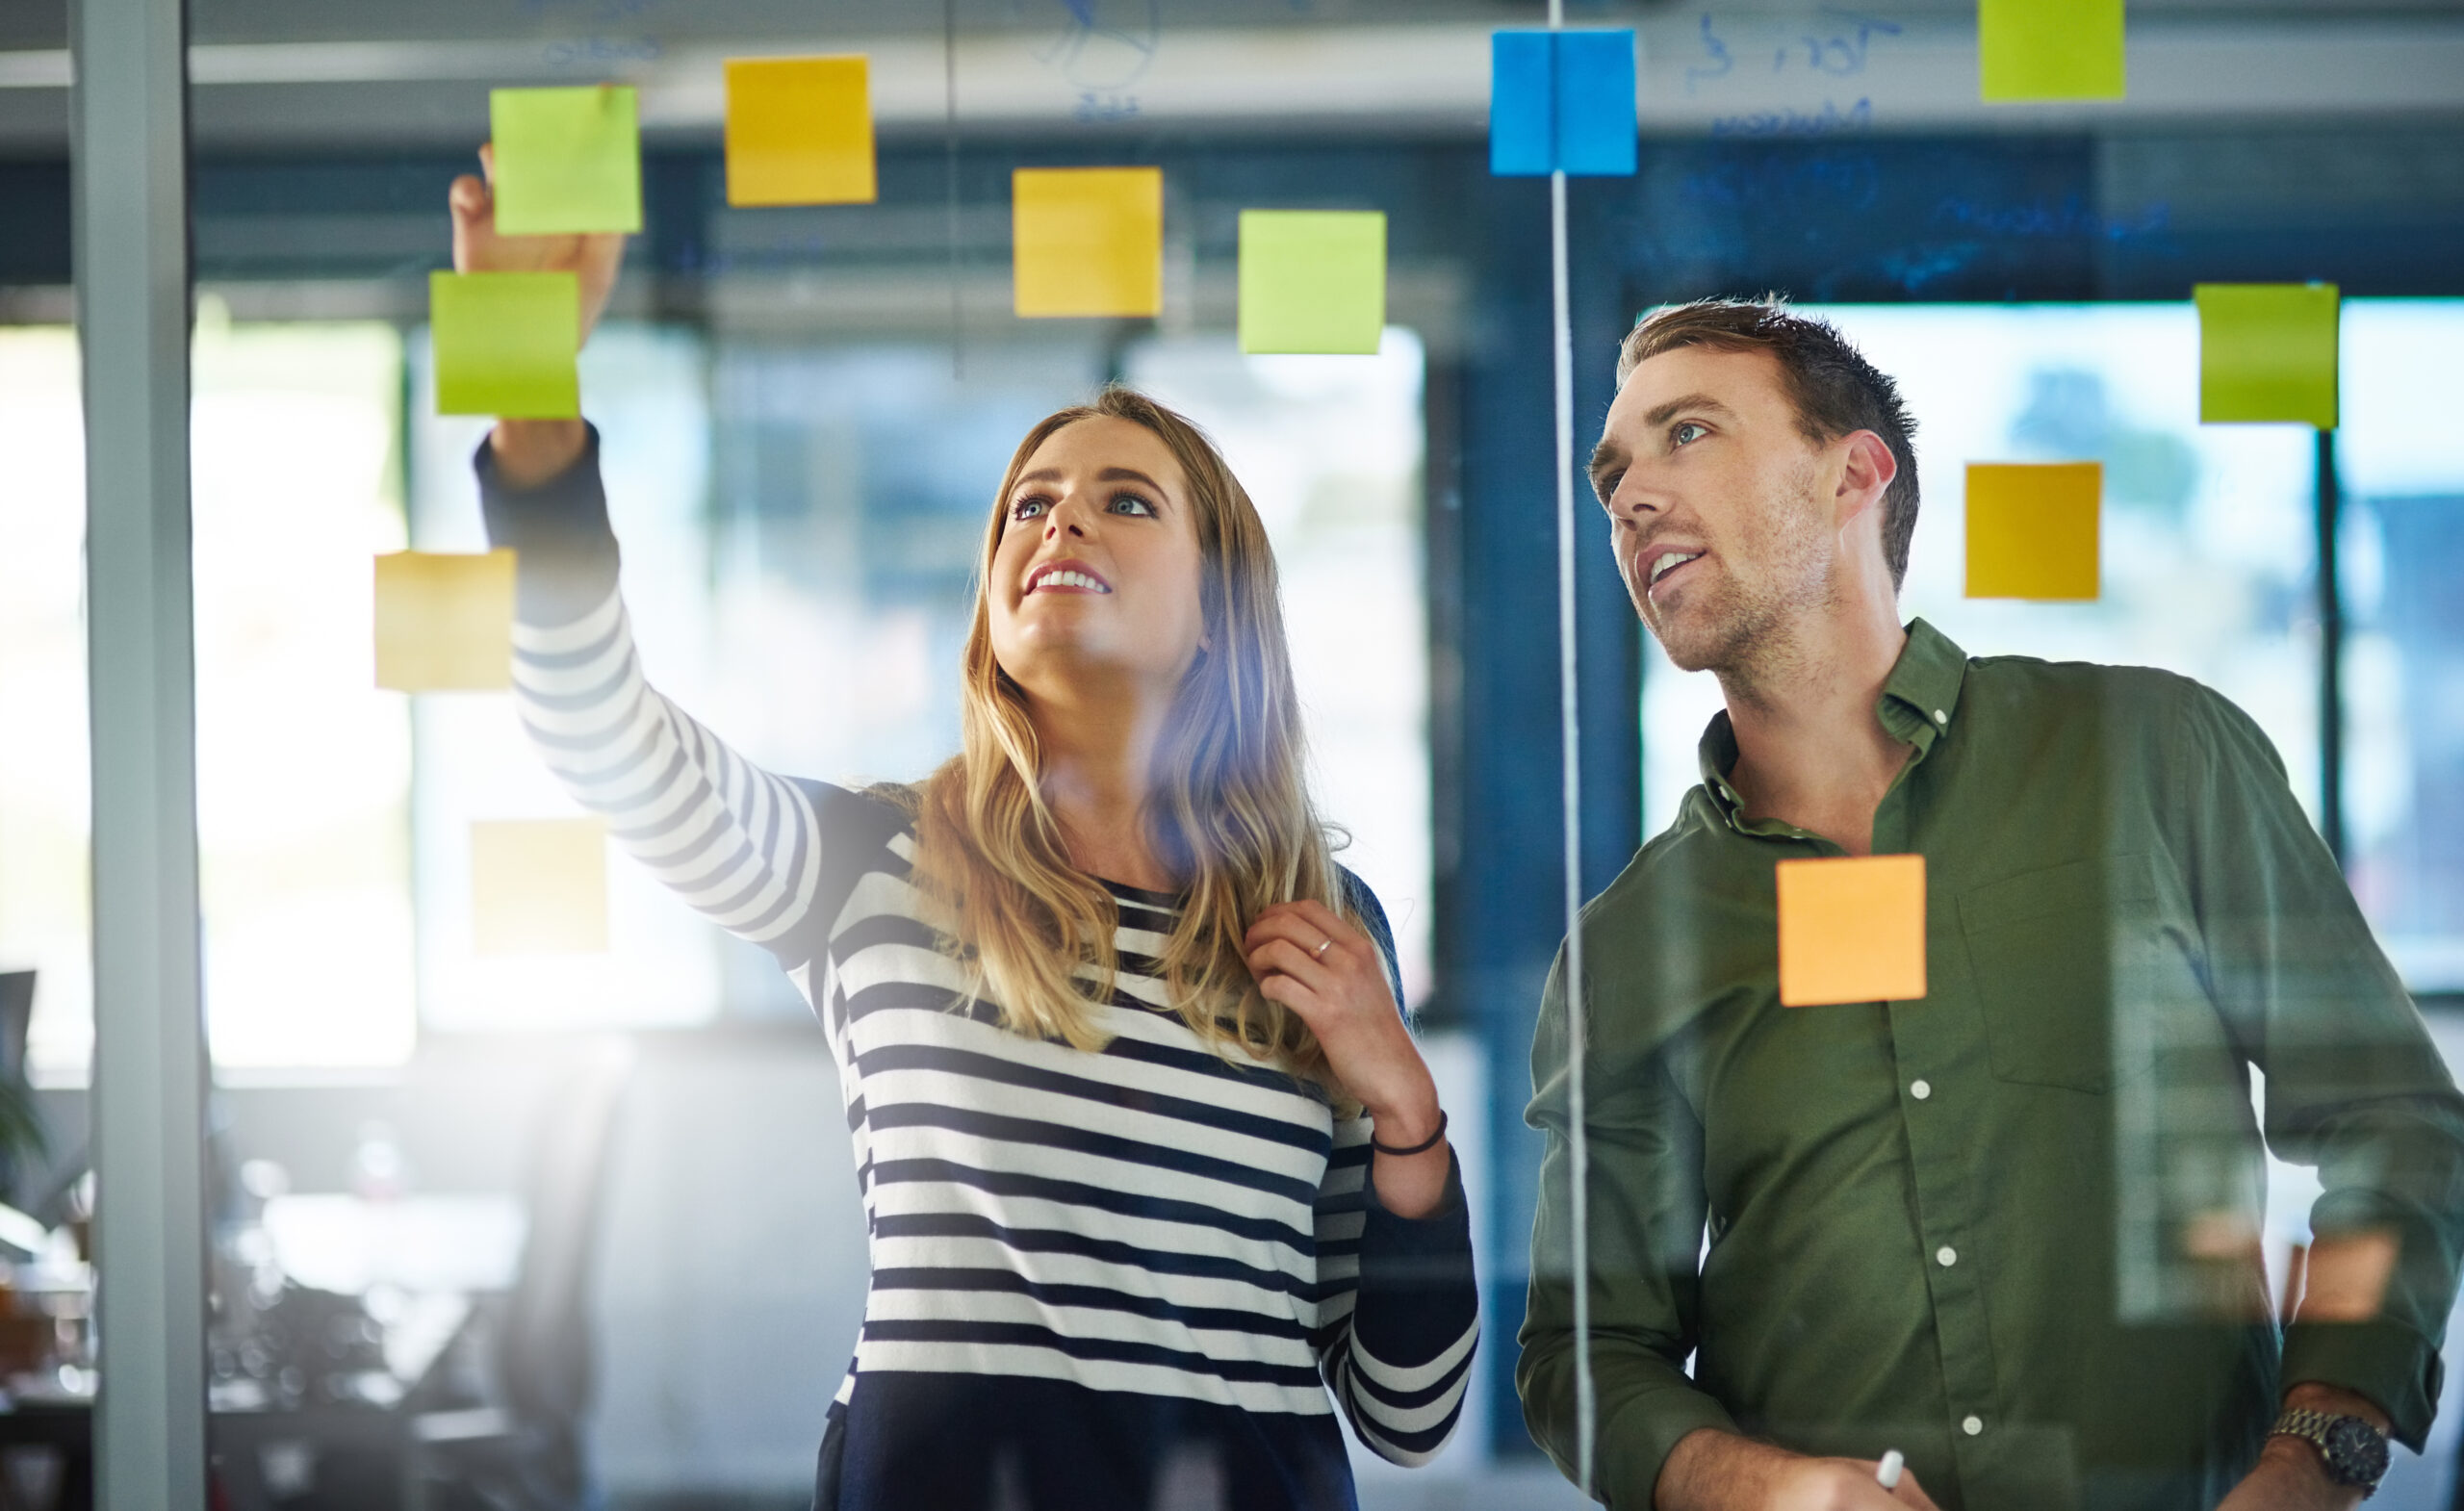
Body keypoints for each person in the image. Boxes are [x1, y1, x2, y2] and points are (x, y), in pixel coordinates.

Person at [445, 152, 1477, 1511]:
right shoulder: (873, 865)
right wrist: (529, 402)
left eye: (1126, 498)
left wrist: (1405, 1108)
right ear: (993, 597)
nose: (1060, 520)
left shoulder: (1326, 926)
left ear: (1221, 608)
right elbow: (601, 732)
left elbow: (1408, 1412)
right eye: (1030, 504)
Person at [1516, 296, 2464, 1511]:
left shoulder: (2153, 757)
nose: (1630, 494)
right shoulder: (1631, 941)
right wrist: (1756, 1488)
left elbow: (2392, 1118)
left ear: (1853, 473)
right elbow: (1585, 1352)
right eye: (1612, 474)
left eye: (1686, 433)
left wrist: (2314, 1453)